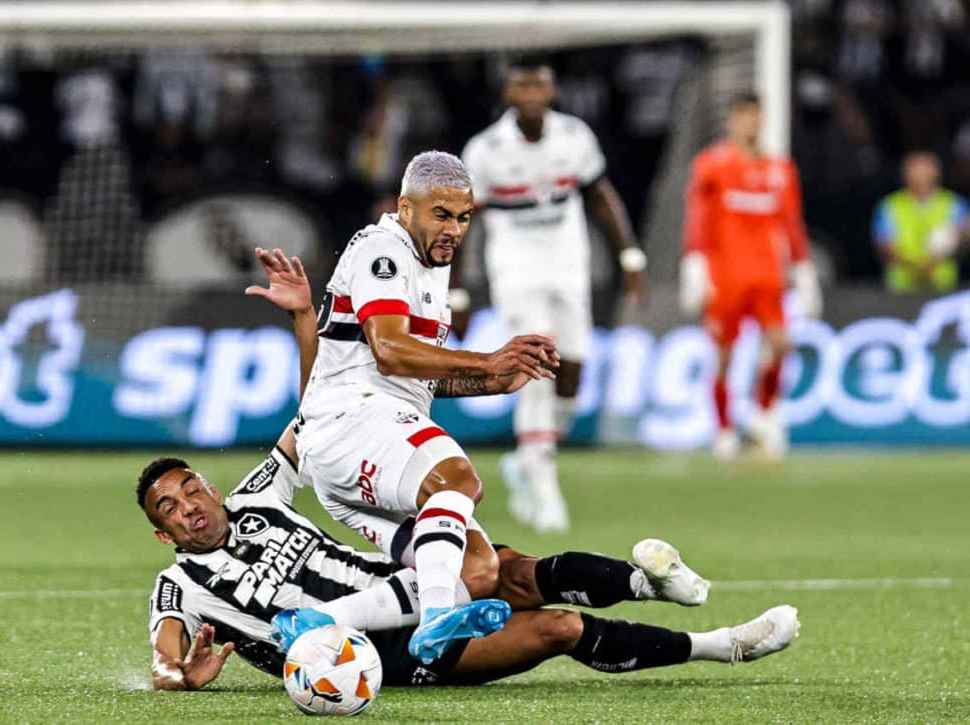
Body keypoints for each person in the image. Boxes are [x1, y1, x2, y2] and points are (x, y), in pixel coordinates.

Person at [142, 245, 799, 691]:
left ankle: (647, 582)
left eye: (188, 488)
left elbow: (321, 409)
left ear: (211, 486)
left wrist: (299, 318)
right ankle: (719, 644)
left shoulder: (258, 495)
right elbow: (165, 660)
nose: (187, 506)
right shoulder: (181, 585)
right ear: (163, 536)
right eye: (169, 510)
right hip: (381, 653)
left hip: (401, 578)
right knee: (557, 627)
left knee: (513, 569)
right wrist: (178, 677)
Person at [295, 149, 563, 665]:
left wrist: (493, 382)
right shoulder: (384, 248)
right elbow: (391, 351)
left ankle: (318, 624)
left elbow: (419, 380)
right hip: (349, 418)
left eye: (464, 218)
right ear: (406, 207)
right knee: (457, 479)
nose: (454, 230)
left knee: (477, 570)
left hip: (362, 437)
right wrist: (487, 360)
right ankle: (437, 617)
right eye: (441, 214)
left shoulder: (429, 265)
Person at [461, 56, 648, 533]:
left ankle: (530, 455)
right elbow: (464, 222)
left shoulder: (574, 137)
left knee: (573, 372)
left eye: (539, 85)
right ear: (509, 94)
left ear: (551, 91)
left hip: (568, 265)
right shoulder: (484, 151)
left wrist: (629, 256)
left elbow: (600, 196)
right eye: (522, 86)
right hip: (516, 269)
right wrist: (456, 291)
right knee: (537, 357)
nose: (531, 94)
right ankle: (542, 478)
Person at [680, 91, 822, 462]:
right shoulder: (712, 165)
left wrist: (804, 272)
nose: (751, 124)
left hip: (767, 277)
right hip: (726, 276)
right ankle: (724, 429)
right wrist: (694, 266)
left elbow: (791, 225)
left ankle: (763, 412)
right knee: (725, 356)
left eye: (757, 116)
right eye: (744, 116)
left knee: (781, 344)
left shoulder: (780, 170)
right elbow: (698, 218)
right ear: (731, 121)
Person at [872, 151, 970, 294]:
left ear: (936, 173)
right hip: (900, 288)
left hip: (943, 286)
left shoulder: (954, 204)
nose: (920, 176)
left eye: (925, 171)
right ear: (905, 174)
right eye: (915, 171)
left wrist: (954, 242)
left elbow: (964, 240)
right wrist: (915, 268)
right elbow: (884, 245)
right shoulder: (889, 205)